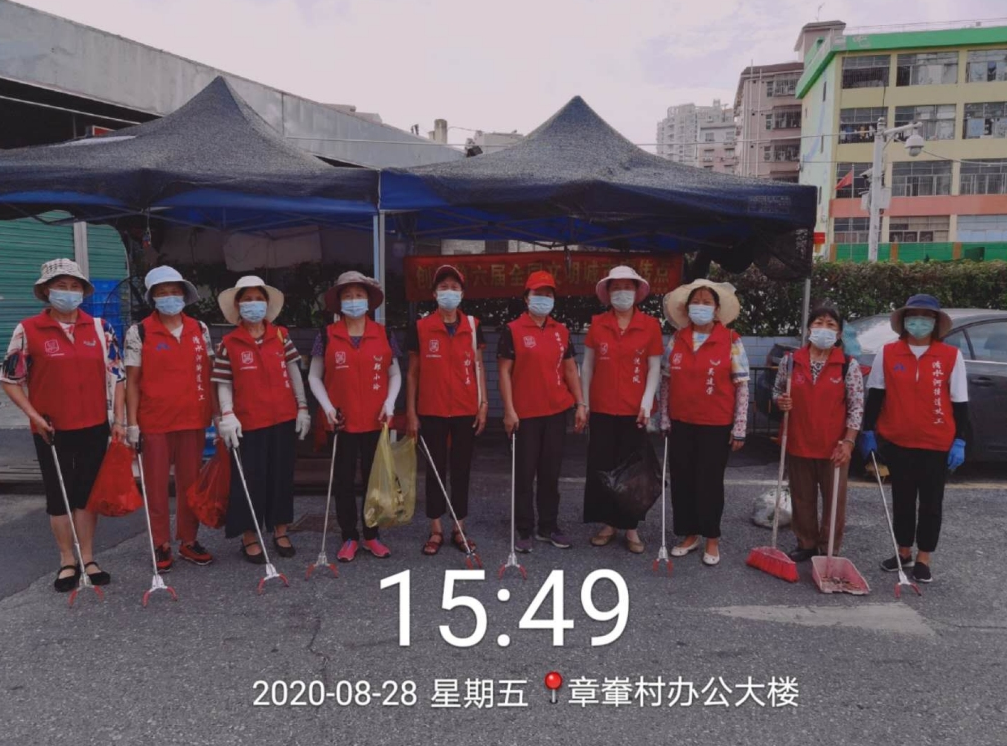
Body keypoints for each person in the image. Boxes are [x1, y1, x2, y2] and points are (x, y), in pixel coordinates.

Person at [1, 259, 125, 591]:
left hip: (95, 426)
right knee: (59, 497)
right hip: (51, 429)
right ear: (46, 291)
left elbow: (118, 375)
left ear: (83, 292)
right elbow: (10, 380)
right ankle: (67, 560)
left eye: (74, 286)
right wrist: (35, 417)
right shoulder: (28, 330)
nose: (68, 292)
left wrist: (119, 420)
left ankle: (89, 557)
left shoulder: (100, 328)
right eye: (60, 286)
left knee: (86, 495)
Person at [860, 294, 969, 584]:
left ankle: (924, 557)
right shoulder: (888, 353)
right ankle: (903, 551)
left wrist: (960, 440)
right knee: (903, 500)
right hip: (898, 441)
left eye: (926, 316)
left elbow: (960, 402)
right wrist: (868, 431)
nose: (919, 321)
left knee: (931, 503)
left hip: (937, 442)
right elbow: (876, 395)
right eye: (913, 316)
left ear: (935, 322)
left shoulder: (950, 356)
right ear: (905, 320)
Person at [211, 276, 311, 564]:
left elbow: (293, 371)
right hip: (248, 422)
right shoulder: (229, 343)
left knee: (281, 477)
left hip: (283, 417)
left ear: (266, 304)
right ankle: (249, 535)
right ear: (238, 305)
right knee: (249, 479)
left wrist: (302, 406)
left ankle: (281, 531)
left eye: (258, 299)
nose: (253, 304)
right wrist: (227, 414)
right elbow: (223, 382)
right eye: (247, 299)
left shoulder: (280, 335)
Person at [124, 266, 217, 572]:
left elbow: (210, 374)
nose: (169, 297)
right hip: (155, 421)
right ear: (152, 298)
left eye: (174, 291)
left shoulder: (199, 328)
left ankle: (189, 540)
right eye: (162, 293)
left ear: (184, 295)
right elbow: (132, 382)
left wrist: (218, 415)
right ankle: (160, 543)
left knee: (192, 484)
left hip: (193, 418)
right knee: (156, 485)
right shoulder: (140, 332)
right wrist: (131, 423)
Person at [308, 271, 401, 563]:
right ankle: (349, 536)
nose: (353, 300)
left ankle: (372, 535)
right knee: (343, 481)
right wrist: (327, 407)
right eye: (347, 296)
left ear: (369, 301)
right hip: (341, 421)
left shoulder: (385, 333)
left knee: (374, 480)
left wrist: (390, 402)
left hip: (375, 419)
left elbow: (395, 373)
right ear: (338, 302)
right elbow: (314, 376)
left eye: (359, 295)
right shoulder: (326, 335)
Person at [659, 279, 749, 567]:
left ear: (716, 309)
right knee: (682, 480)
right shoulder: (677, 338)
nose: (700, 306)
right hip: (681, 422)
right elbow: (666, 380)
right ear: (687, 309)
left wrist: (739, 427)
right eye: (695, 302)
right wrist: (664, 417)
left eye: (706, 302)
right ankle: (690, 534)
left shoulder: (731, 339)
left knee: (709, 482)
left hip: (715, 424)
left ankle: (711, 537)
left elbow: (742, 385)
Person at [498, 270, 587, 553]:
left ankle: (548, 527)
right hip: (524, 414)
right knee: (524, 474)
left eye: (548, 294)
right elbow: (504, 372)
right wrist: (509, 410)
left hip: (556, 411)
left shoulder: (561, 331)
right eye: (538, 294)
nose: (543, 299)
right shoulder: (513, 329)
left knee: (550, 473)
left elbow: (570, 369)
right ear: (526, 298)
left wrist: (580, 403)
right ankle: (524, 529)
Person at [405, 265, 488, 556]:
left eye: (454, 287)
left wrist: (483, 404)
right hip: (432, 409)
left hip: (466, 409)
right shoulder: (421, 327)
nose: (448, 292)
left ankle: (459, 528)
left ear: (462, 293)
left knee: (462, 470)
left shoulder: (473, 326)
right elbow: (413, 373)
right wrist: (411, 412)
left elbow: (479, 367)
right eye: (443, 288)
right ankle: (436, 529)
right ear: (434, 294)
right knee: (435, 470)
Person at [581, 266, 664, 553]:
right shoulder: (598, 324)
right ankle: (608, 524)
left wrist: (647, 401)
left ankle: (631, 527)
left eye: (627, 287)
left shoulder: (650, 325)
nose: (622, 293)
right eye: (616, 288)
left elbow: (654, 367)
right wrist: (585, 402)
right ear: (608, 293)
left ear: (637, 292)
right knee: (603, 465)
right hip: (602, 407)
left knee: (632, 470)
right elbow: (587, 366)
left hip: (634, 410)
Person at [773, 305, 863, 562]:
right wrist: (780, 401)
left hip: (834, 445)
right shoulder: (791, 361)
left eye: (831, 325)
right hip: (798, 440)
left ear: (839, 333)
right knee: (802, 498)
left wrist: (848, 442)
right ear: (809, 329)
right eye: (819, 323)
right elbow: (777, 390)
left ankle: (829, 548)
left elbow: (856, 407)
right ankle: (806, 542)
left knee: (834, 501)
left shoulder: (848, 365)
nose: (824, 329)